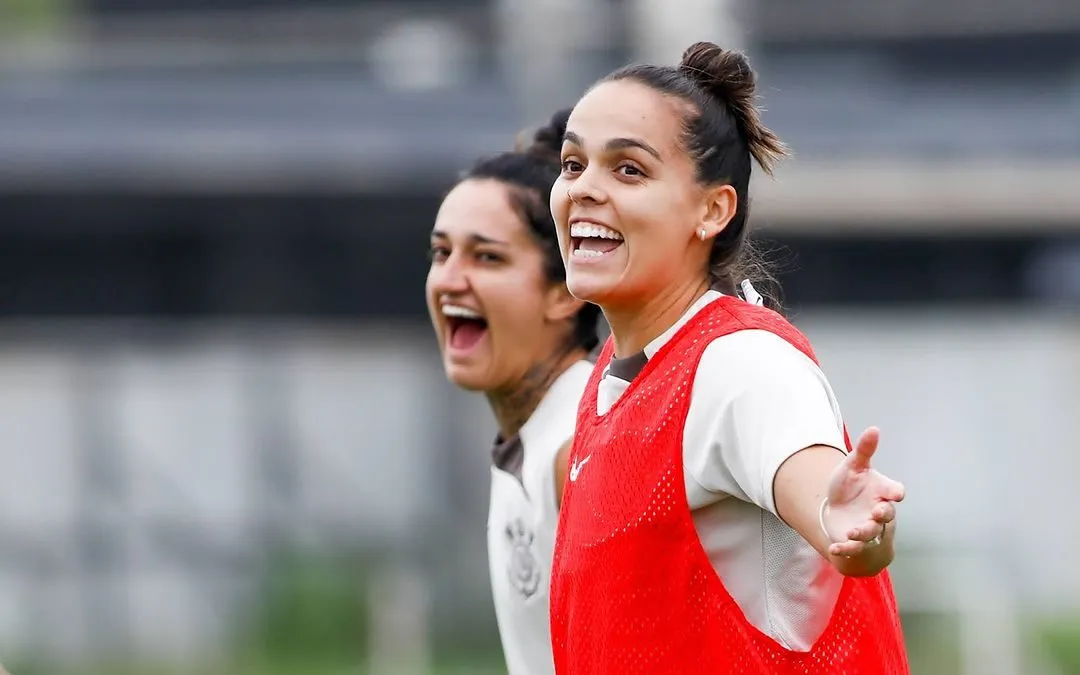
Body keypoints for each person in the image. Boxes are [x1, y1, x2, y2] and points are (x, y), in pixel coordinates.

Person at [547, 42, 909, 673]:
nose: (584, 190)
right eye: (573, 164)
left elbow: (826, 502)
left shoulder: (741, 365)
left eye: (628, 170)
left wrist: (847, 521)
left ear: (712, 210)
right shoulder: (613, 376)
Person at [425, 109, 601, 675]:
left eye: (487, 257)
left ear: (565, 293)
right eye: (440, 253)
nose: (452, 279)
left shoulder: (585, 446)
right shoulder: (534, 437)